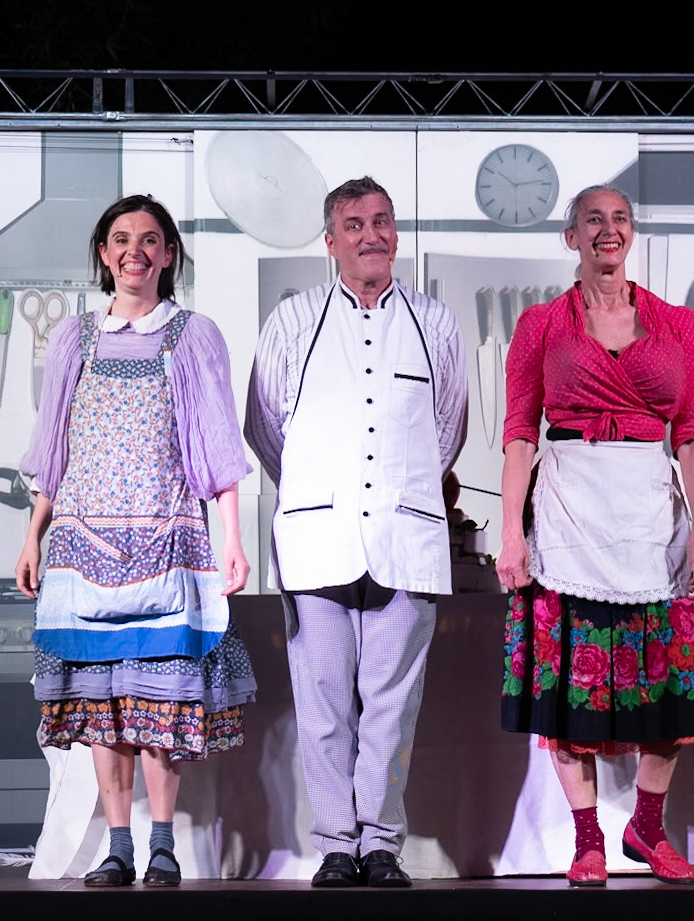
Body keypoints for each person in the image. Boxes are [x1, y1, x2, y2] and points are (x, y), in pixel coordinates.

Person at [16, 194, 256, 889]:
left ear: (169, 254)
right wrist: (33, 536)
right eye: (121, 239)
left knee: (160, 703)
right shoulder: (74, 338)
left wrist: (231, 539)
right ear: (103, 253)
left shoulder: (193, 334)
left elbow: (217, 446)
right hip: (81, 543)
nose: (135, 252)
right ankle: (117, 846)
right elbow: (53, 450)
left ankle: (162, 846)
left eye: (150, 240)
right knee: (103, 706)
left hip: (168, 539)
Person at [496, 184, 694, 888]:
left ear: (632, 233)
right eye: (592, 219)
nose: (608, 229)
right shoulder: (541, 324)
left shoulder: (676, 323)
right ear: (571, 237)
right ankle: (588, 838)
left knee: (666, 679)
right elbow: (518, 433)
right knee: (573, 686)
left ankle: (647, 826)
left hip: (651, 509)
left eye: (620, 217)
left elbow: (692, 431)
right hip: (570, 506)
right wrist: (511, 532)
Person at [244, 176, 466, 888]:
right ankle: (337, 843)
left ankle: (381, 843)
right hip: (318, 538)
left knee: (393, 707)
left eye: (381, 221)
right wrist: (319, 487)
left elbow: (447, 428)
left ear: (396, 234)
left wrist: (403, 489)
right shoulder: (293, 319)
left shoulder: (435, 322)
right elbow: (265, 425)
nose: (371, 234)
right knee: (323, 705)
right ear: (331, 240)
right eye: (354, 224)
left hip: (406, 538)